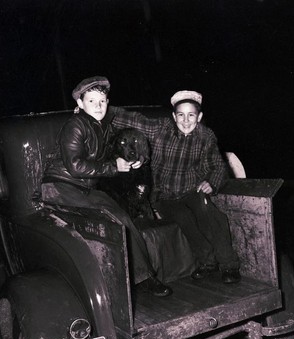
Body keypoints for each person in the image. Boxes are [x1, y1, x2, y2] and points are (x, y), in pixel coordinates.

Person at [41, 76, 172, 297]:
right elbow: (75, 166)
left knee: (123, 218)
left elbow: (123, 148)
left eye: (102, 101)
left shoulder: (104, 127)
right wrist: (113, 167)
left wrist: (138, 160)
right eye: (92, 101)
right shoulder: (75, 125)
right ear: (80, 104)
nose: (98, 106)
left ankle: (145, 277)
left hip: (83, 188)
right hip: (61, 186)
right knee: (114, 220)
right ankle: (131, 283)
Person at [112, 90, 241, 283]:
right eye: (181, 115)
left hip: (191, 190)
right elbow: (132, 119)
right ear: (174, 116)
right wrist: (100, 110)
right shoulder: (161, 129)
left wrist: (211, 182)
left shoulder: (206, 136)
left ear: (199, 117)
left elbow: (216, 165)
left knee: (211, 214)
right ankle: (207, 262)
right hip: (164, 195)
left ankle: (229, 266)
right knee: (183, 217)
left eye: (191, 115)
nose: (186, 120)